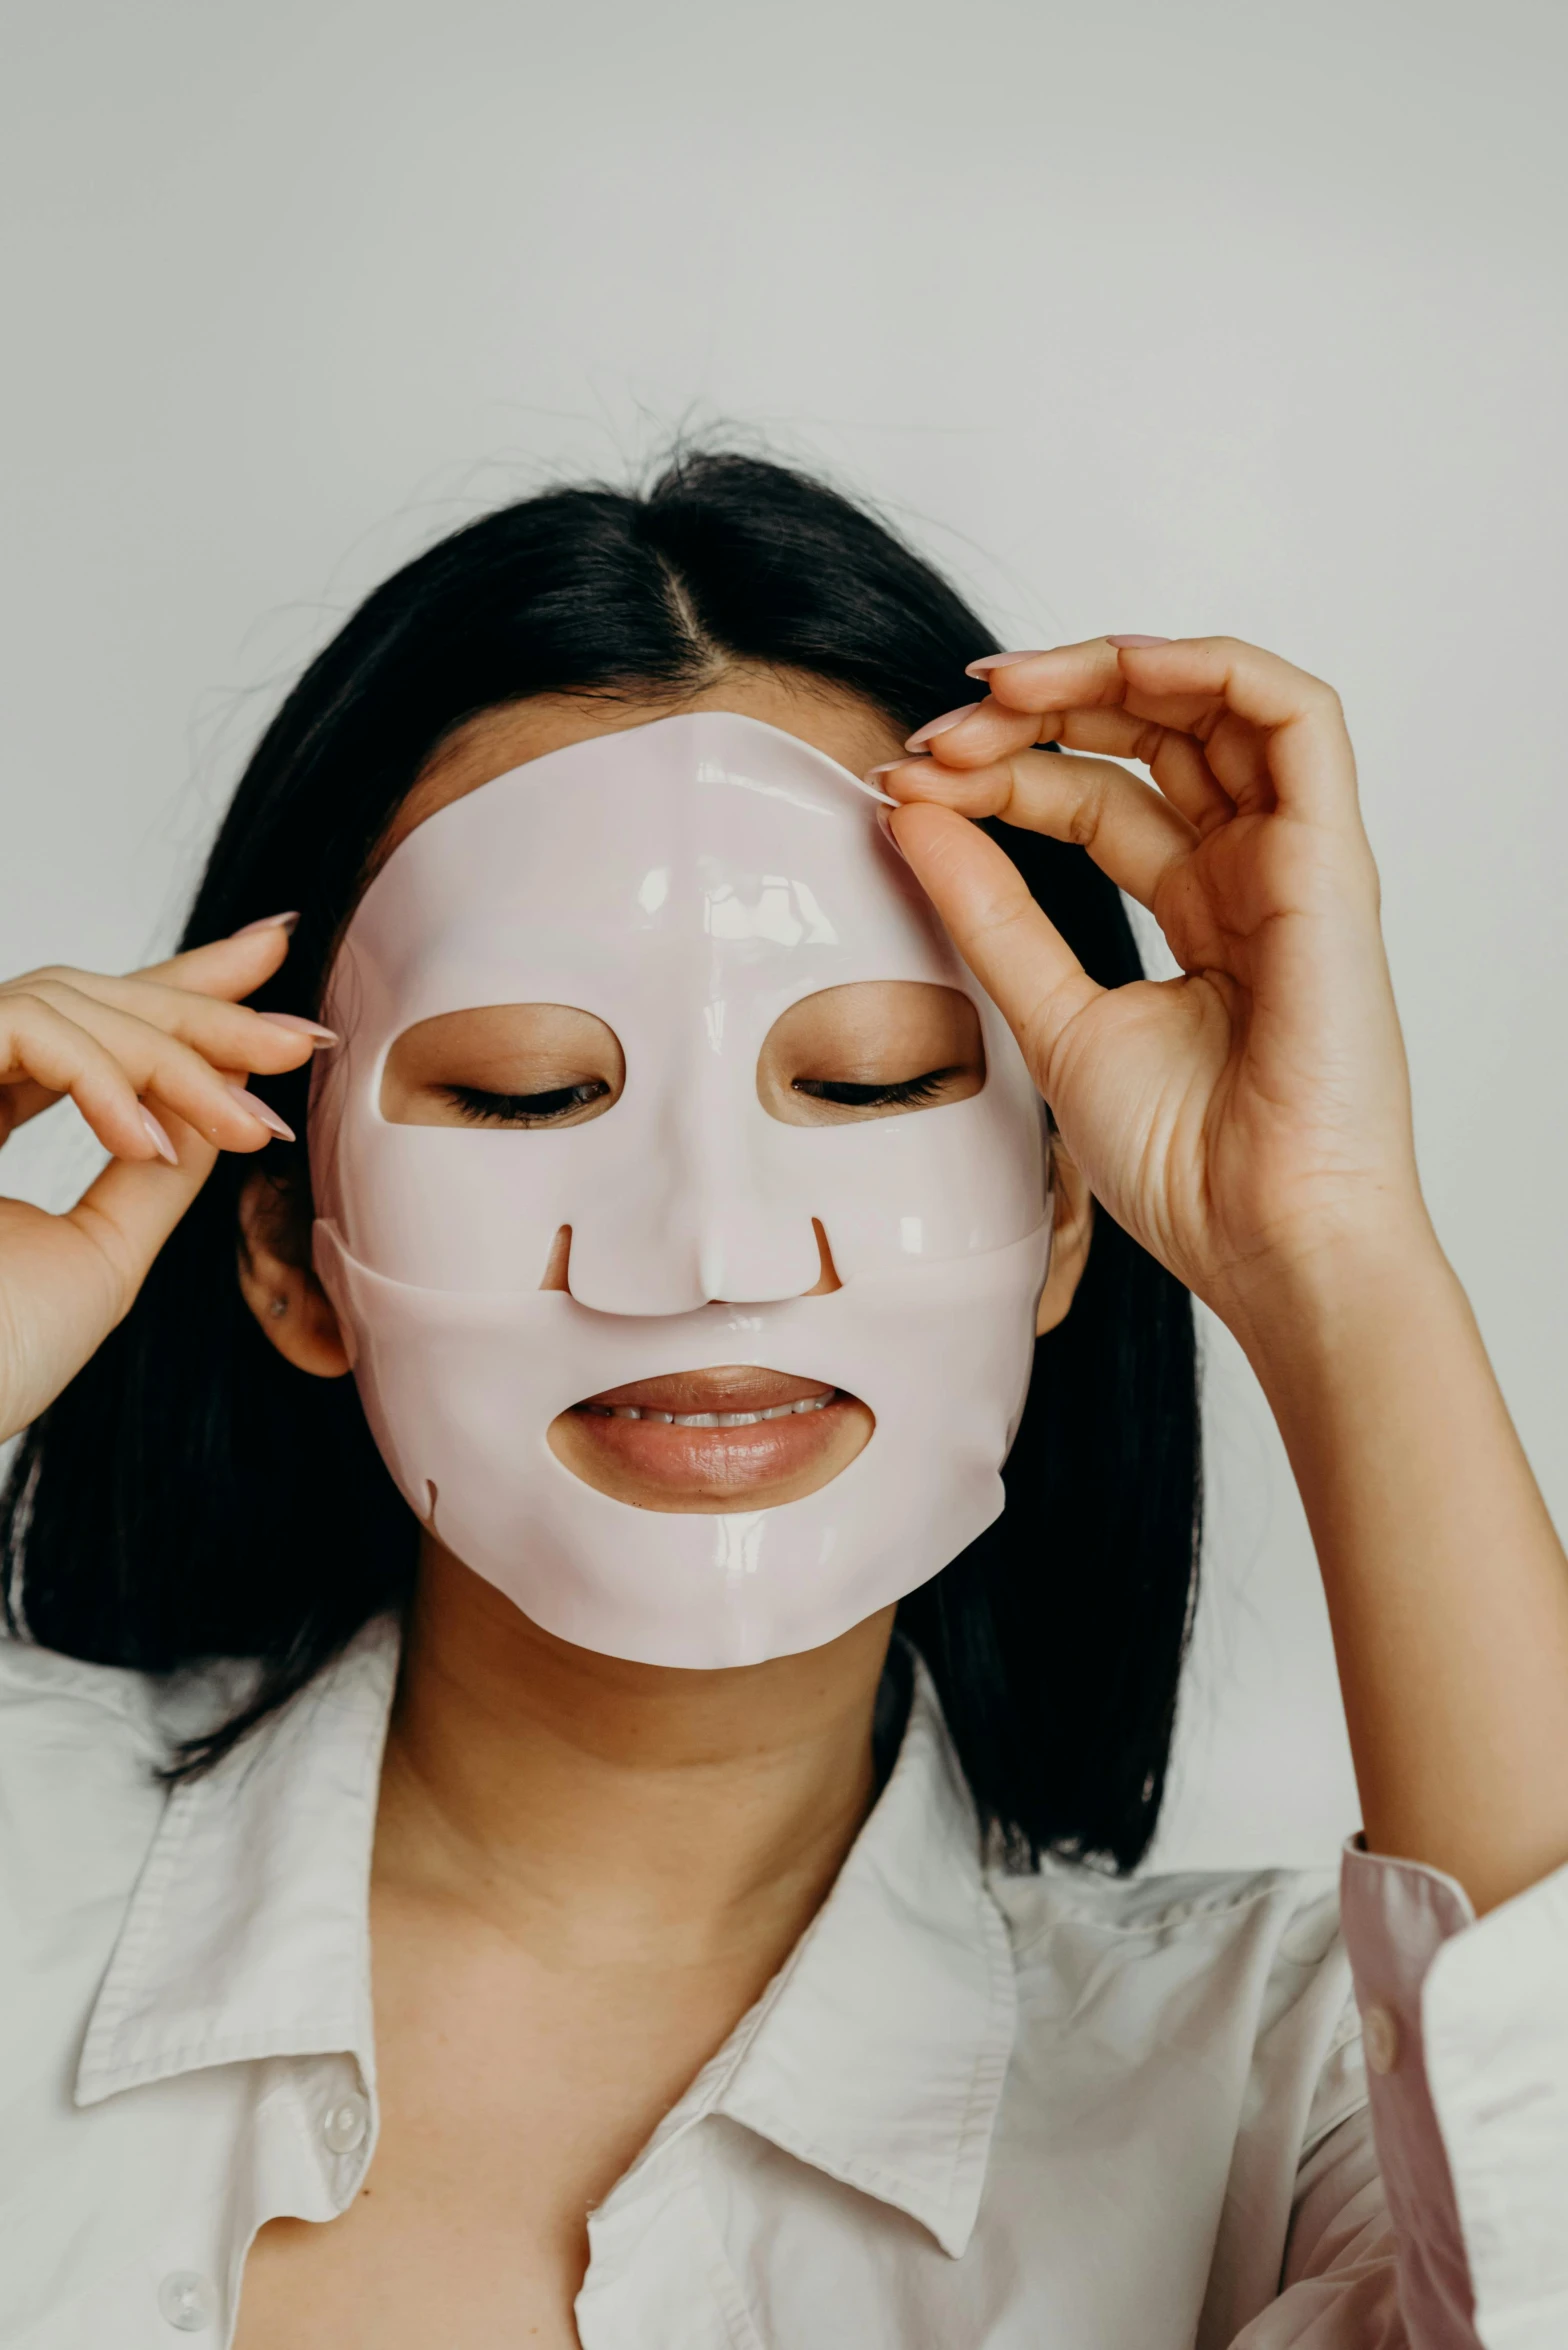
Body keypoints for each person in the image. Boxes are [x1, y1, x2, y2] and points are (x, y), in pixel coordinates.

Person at [1, 452, 1565, 2350]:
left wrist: (1331, 1247)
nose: (713, 1246)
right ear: (287, 1246)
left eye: (875, 1084)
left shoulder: (1266, 2098)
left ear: (1068, 1210)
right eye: (521, 1096)